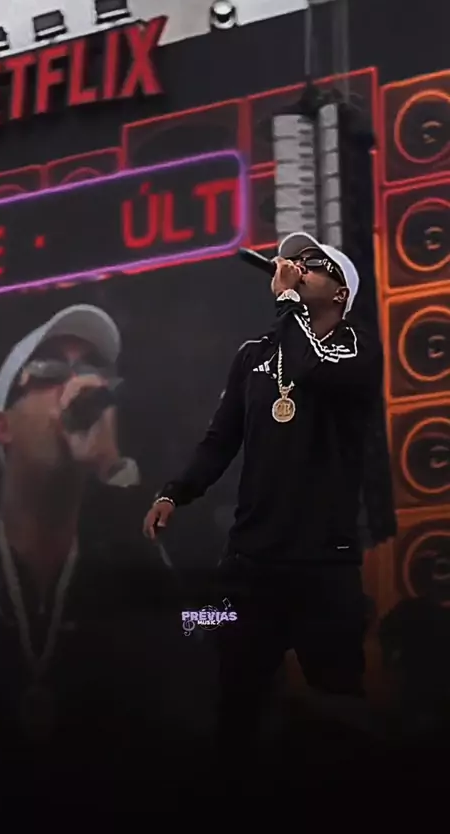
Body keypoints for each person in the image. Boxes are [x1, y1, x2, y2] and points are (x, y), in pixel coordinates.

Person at [143, 231, 389, 765]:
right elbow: (221, 438)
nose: (296, 266)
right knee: (235, 698)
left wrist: (287, 303)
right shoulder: (254, 354)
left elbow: (309, 367)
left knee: (338, 703)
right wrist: (176, 492)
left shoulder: (359, 348)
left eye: (311, 263)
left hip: (325, 564)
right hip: (251, 562)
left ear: (341, 292)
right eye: (292, 260)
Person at [0, 304, 185, 805]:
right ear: (4, 428)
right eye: (49, 373)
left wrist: (114, 475)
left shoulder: (125, 544)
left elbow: (205, 626)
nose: (79, 388)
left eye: (92, 374)